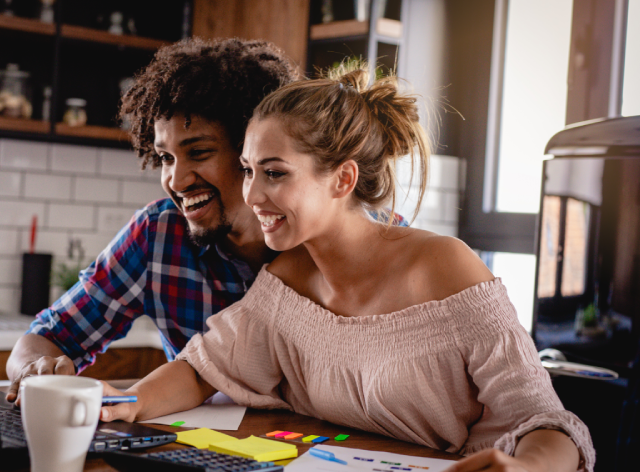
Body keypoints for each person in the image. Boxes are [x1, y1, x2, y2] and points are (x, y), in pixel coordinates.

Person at [99, 65, 595, 472]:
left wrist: (525, 470)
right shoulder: (286, 282)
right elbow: (202, 370)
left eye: (274, 173)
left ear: (343, 179)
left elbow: (547, 423)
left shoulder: (445, 268)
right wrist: (131, 401)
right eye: (249, 170)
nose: (251, 194)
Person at [5, 38, 407, 404]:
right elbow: (49, 335)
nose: (175, 181)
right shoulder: (158, 235)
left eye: (198, 152)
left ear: (252, 149)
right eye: (165, 158)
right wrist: (34, 369)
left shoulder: (359, 241)